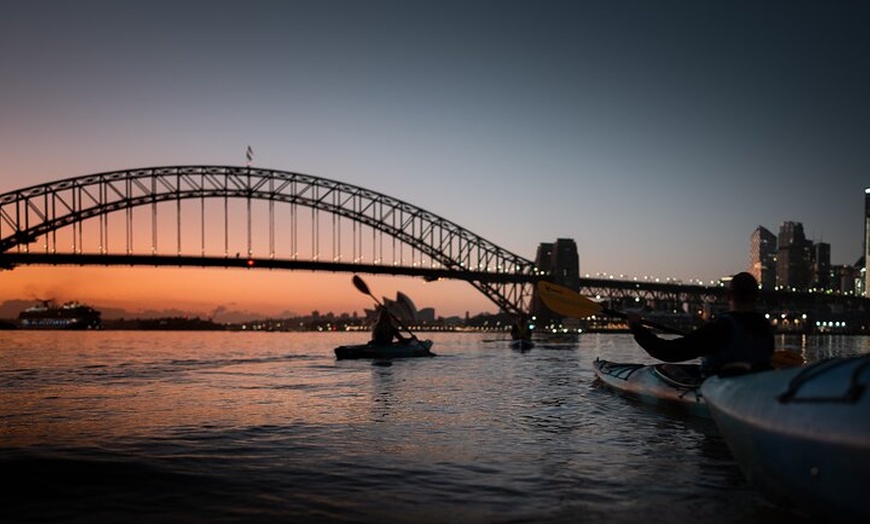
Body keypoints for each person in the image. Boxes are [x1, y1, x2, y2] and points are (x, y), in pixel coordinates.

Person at [627, 272, 774, 376]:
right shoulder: (765, 327)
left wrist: (637, 328)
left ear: (728, 295)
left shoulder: (719, 329)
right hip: (754, 384)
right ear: (756, 296)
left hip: (721, 390)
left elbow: (668, 351)